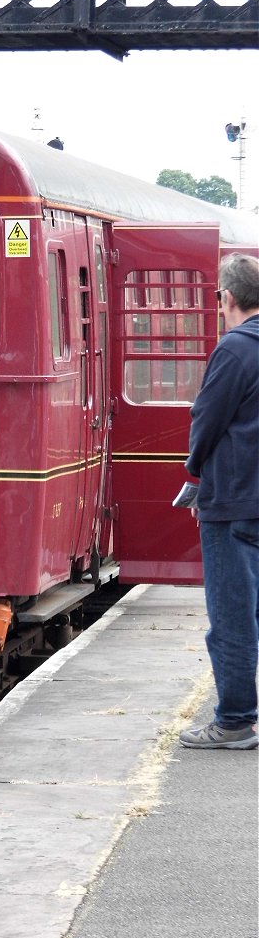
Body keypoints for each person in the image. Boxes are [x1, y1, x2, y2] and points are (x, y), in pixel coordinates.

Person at [180, 252, 259, 750]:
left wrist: (194, 473)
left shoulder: (234, 350)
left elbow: (205, 422)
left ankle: (234, 722)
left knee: (231, 617)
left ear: (225, 298)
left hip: (233, 501)